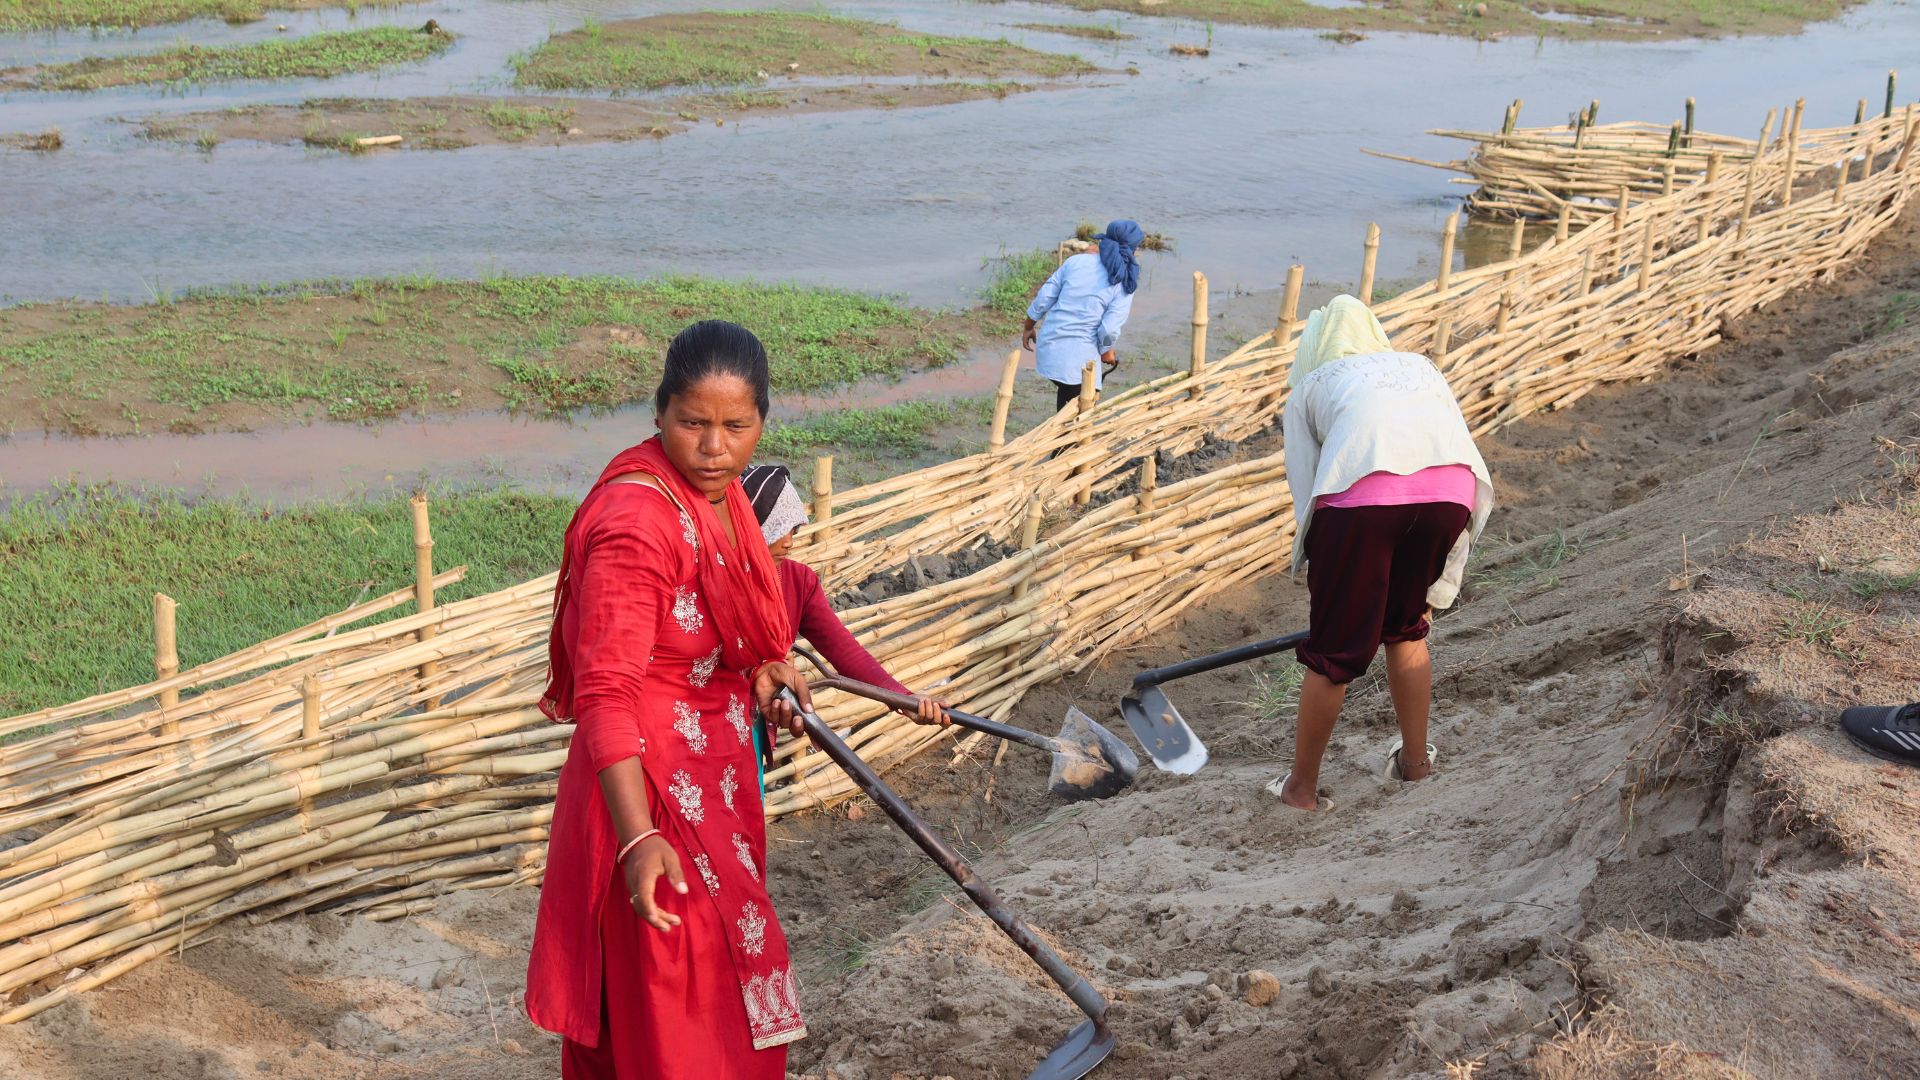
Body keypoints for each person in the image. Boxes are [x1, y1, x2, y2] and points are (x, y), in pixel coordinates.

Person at [525, 321, 822, 1079]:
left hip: (715, 782)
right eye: (693, 423)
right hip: (648, 792)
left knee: (721, 976)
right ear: (659, 415)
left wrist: (759, 671)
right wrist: (634, 839)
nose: (715, 446)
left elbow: (723, 631)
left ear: (763, 420)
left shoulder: (720, 500)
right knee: (672, 996)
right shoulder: (636, 522)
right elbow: (605, 690)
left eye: (736, 425)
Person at [1271, 295, 1493, 812]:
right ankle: (1415, 765)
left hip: (1362, 504)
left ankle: (1300, 790)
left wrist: (1322, 576)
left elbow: (1310, 492)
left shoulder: (1312, 385)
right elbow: (1449, 441)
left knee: (1334, 655)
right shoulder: (1419, 366)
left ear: (1315, 347)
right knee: (1407, 627)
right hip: (1450, 493)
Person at [740, 463, 948, 763]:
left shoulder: (799, 582)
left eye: (793, 529)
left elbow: (845, 652)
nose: (788, 541)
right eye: (776, 527)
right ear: (748, 524)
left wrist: (903, 698)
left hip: (757, 725)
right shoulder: (718, 581)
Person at [1023, 220, 1143, 412]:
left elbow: (1044, 298)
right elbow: (1109, 329)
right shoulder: (1123, 283)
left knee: (1067, 393)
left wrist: (1029, 327)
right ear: (1134, 249)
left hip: (1049, 350)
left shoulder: (1076, 262)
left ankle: (1061, 433)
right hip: (1079, 362)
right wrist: (1106, 352)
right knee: (1079, 406)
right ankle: (1066, 439)